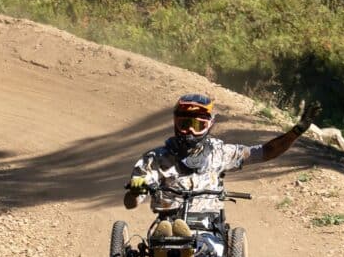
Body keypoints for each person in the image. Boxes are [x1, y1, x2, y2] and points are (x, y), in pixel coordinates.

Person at [125, 93, 314, 227]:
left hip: (208, 225)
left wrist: (297, 131)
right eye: (184, 124)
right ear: (175, 123)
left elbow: (267, 151)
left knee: (207, 246)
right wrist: (135, 190)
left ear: (209, 125)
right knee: (163, 234)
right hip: (167, 222)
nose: (190, 131)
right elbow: (130, 203)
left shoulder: (220, 152)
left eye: (197, 125)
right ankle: (174, 239)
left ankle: (188, 245)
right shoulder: (154, 159)